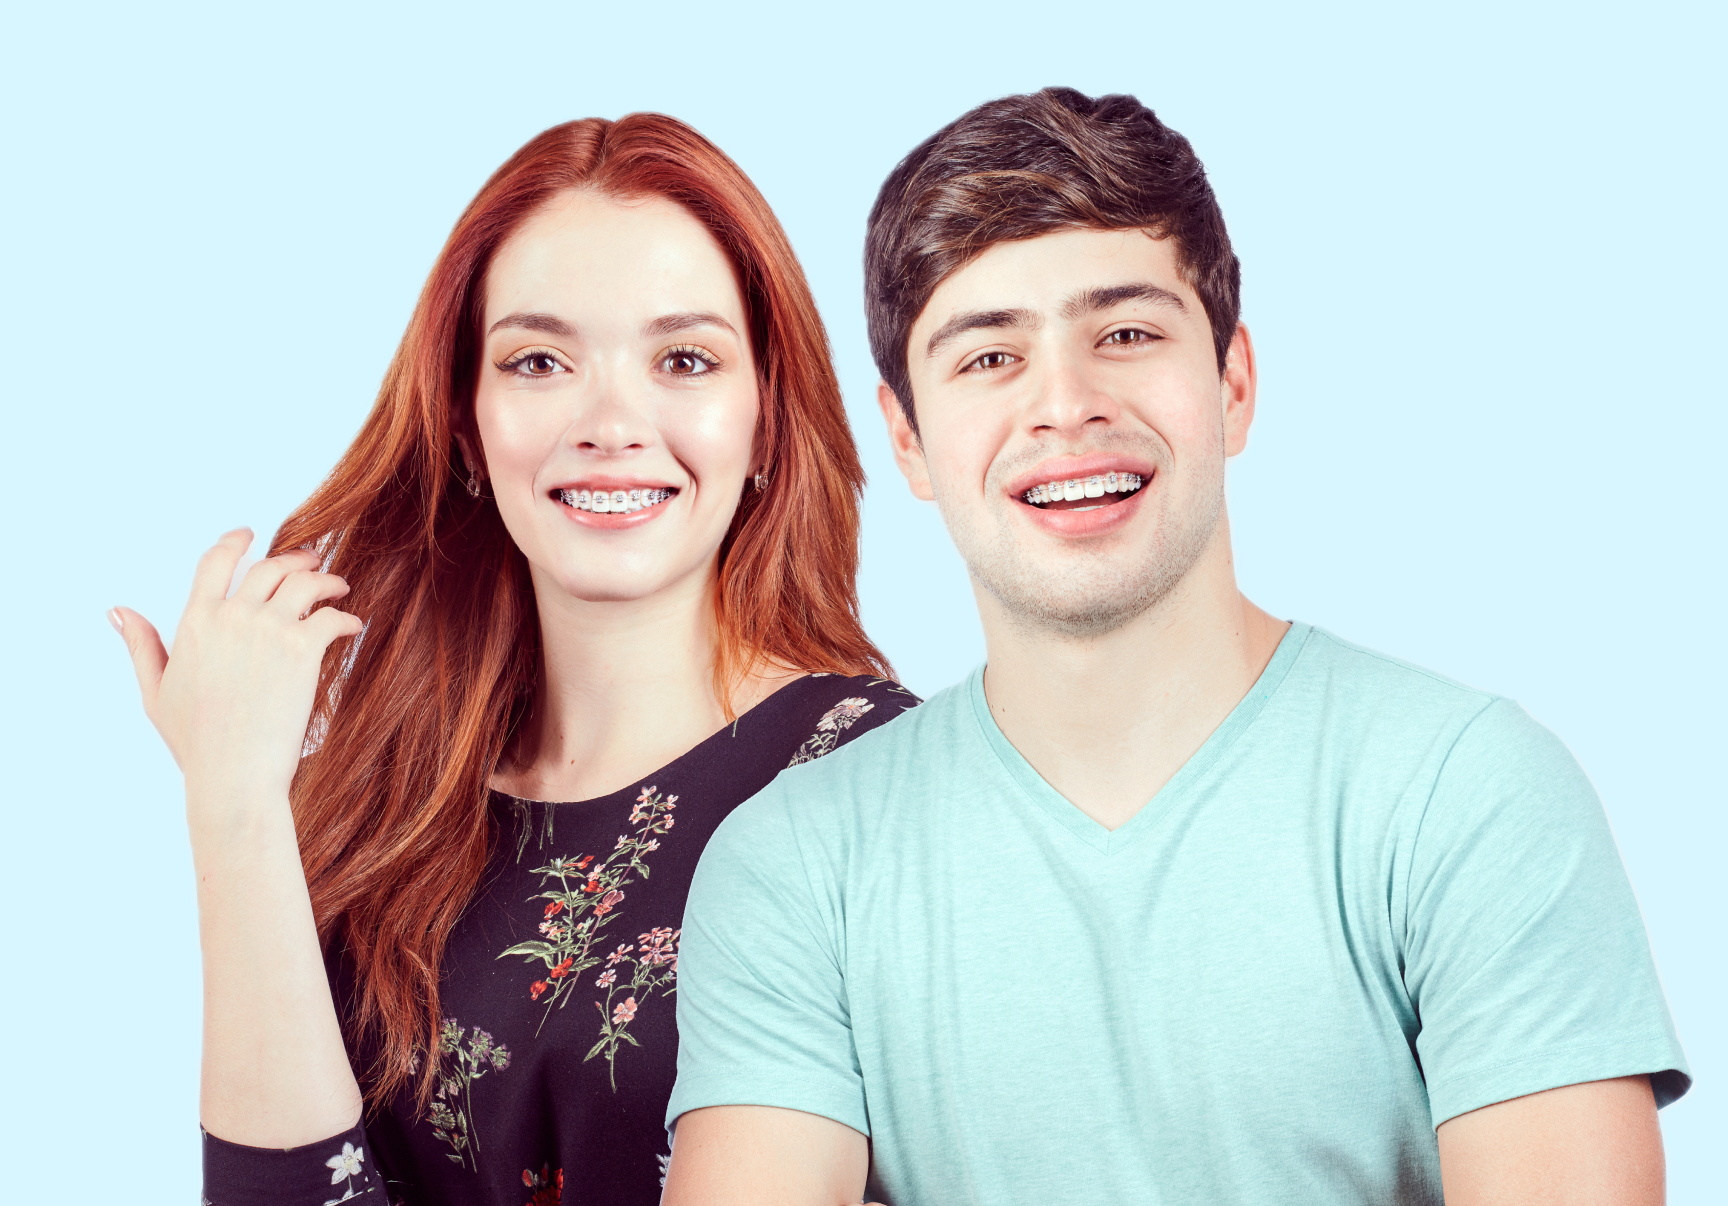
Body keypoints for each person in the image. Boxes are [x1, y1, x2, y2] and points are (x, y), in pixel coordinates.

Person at [660, 88, 1690, 1206]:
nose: (1066, 404)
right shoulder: (795, 872)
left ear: (1234, 383)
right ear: (906, 440)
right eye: (988, 357)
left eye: (1127, 334)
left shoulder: (1468, 794)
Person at [111, 113, 915, 1206]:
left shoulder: (883, 787)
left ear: (767, 417)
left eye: (684, 358)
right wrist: (234, 807)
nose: (611, 420)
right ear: (463, 424)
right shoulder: (383, 809)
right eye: (540, 360)